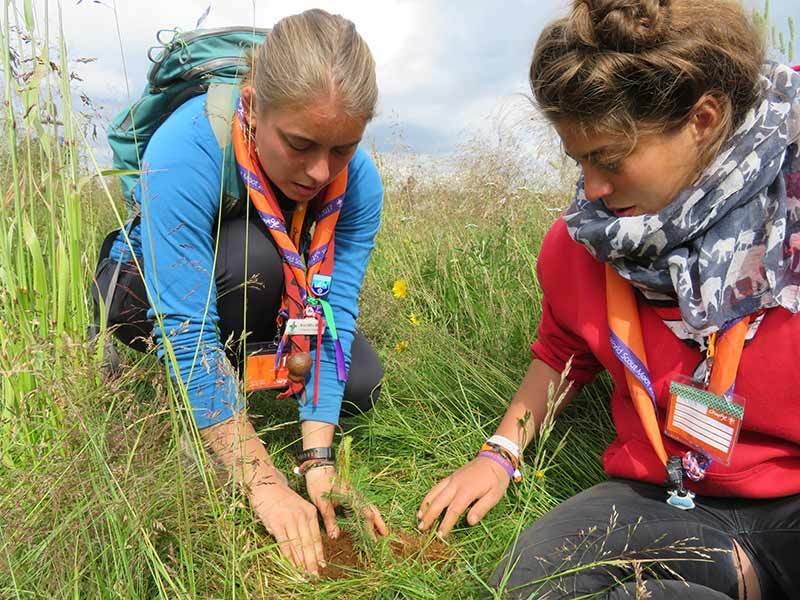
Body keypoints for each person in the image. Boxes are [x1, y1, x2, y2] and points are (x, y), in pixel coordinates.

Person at [417, 1, 800, 598]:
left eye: (610, 160)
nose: (593, 190)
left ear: (703, 118)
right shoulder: (583, 243)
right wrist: (500, 452)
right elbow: (563, 352)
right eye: (580, 161)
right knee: (532, 584)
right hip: (663, 496)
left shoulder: (790, 222)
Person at [92, 9, 387, 576]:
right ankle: (205, 413)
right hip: (148, 295)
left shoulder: (360, 183)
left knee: (362, 379)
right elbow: (186, 326)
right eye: (300, 144)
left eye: (343, 148)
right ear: (252, 106)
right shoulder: (186, 148)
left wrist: (318, 460)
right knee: (251, 260)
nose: (320, 171)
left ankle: (230, 397)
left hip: (271, 298)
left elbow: (336, 313)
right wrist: (265, 484)